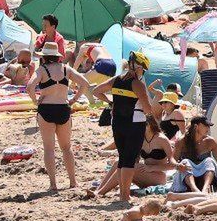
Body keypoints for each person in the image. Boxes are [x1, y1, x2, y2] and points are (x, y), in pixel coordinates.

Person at [94, 52, 157, 202]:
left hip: (117, 122)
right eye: (143, 70)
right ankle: (124, 195)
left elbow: (96, 91)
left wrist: (111, 102)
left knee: (122, 158)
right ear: (139, 67)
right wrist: (154, 120)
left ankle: (123, 193)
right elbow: (148, 109)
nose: (143, 73)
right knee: (130, 160)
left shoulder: (117, 79)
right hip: (135, 123)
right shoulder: (138, 84)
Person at [28, 45, 79, 193]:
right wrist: (74, 99)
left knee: (49, 149)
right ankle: (73, 182)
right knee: (66, 148)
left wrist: (35, 101)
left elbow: (30, 86)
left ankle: (53, 184)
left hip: (46, 108)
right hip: (63, 107)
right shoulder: (65, 69)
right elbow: (85, 83)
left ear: (44, 57)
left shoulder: (42, 70)